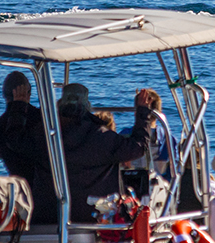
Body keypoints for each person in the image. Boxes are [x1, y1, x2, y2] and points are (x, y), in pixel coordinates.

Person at [57, 83, 152, 223]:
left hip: (52, 214)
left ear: (59, 105)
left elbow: (15, 142)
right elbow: (138, 147)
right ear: (87, 106)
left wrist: (18, 107)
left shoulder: (43, 135)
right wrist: (143, 113)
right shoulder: (100, 137)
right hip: (95, 217)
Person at [0, 70, 59, 225]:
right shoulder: (43, 120)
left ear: (4, 95)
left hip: (18, 194)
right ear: (28, 93)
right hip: (49, 193)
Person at [120, 88, 174, 177]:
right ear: (159, 113)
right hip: (161, 187)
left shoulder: (124, 135)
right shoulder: (168, 139)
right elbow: (173, 171)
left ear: (135, 112)